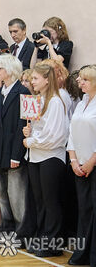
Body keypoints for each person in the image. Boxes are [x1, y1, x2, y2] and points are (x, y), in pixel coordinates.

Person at [22, 63, 69, 257]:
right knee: (39, 201)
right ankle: (41, 238)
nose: (31, 81)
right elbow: (39, 129)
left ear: (47, 80)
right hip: (35, 156)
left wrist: (31, 141)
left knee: (51, 201)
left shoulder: (55, 101)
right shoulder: (37, 100)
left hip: (50, 157)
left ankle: (53, 244)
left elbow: (55, 135)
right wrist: (29, 132)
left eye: (35, 78)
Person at [0, 54, 33, 238]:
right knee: (2, 194)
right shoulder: (0, 92)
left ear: (10, 70)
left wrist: (16, 155)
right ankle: (7, 229)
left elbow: (22, 126)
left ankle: (22, 232)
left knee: (16, 195)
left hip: (14, 152)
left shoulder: (23, 92)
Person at [66, 65, 96, 265]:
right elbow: (72, 133)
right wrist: (74, 160)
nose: (79, 81)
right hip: (79, 164)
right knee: (84, 210)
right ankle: (81, 254)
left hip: (93, 164)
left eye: (84, 79)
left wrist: (91, 161)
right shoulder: (81, 102)